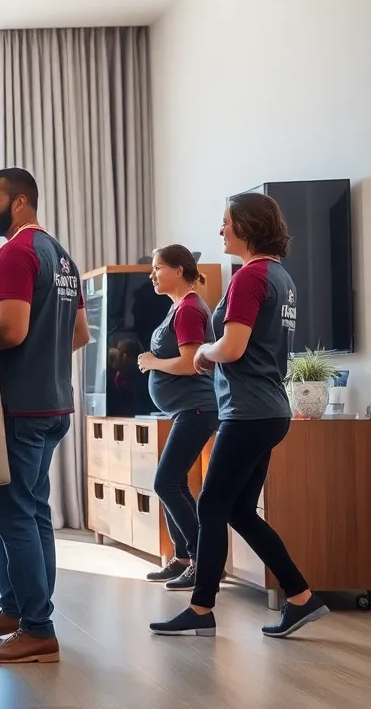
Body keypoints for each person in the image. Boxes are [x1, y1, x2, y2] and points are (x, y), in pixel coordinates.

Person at [151, 192, 329, 638]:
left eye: (226, 222)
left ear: (246, 227)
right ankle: (302, 598)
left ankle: (201, 609)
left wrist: (202, 356)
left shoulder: (250, 277)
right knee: (239, 511)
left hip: (247, 412)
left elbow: (232, 347)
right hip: (268, 409)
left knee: (212, 504)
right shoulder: (281, 276)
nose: (220, 230)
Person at [0, 167, 89, 664]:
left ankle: (38, 627)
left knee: (12, 511)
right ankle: (17, 609)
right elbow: (79, 334)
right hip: (54, 403)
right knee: (18, 508)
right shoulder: (62, 258)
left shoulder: (15, 251)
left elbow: (11, 330)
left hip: (20, 406)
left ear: (20, 203)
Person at [135, 245, 218, 589]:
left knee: (164, 482)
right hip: (185, 409)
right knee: (175, 482)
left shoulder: (189, 310)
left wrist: (153, 362)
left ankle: (201, 560)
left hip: (196, 409)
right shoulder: (178, 308)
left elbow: (190, 362)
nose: (152, 274)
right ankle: (184, 557)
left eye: (157, 268)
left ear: (180, 269)